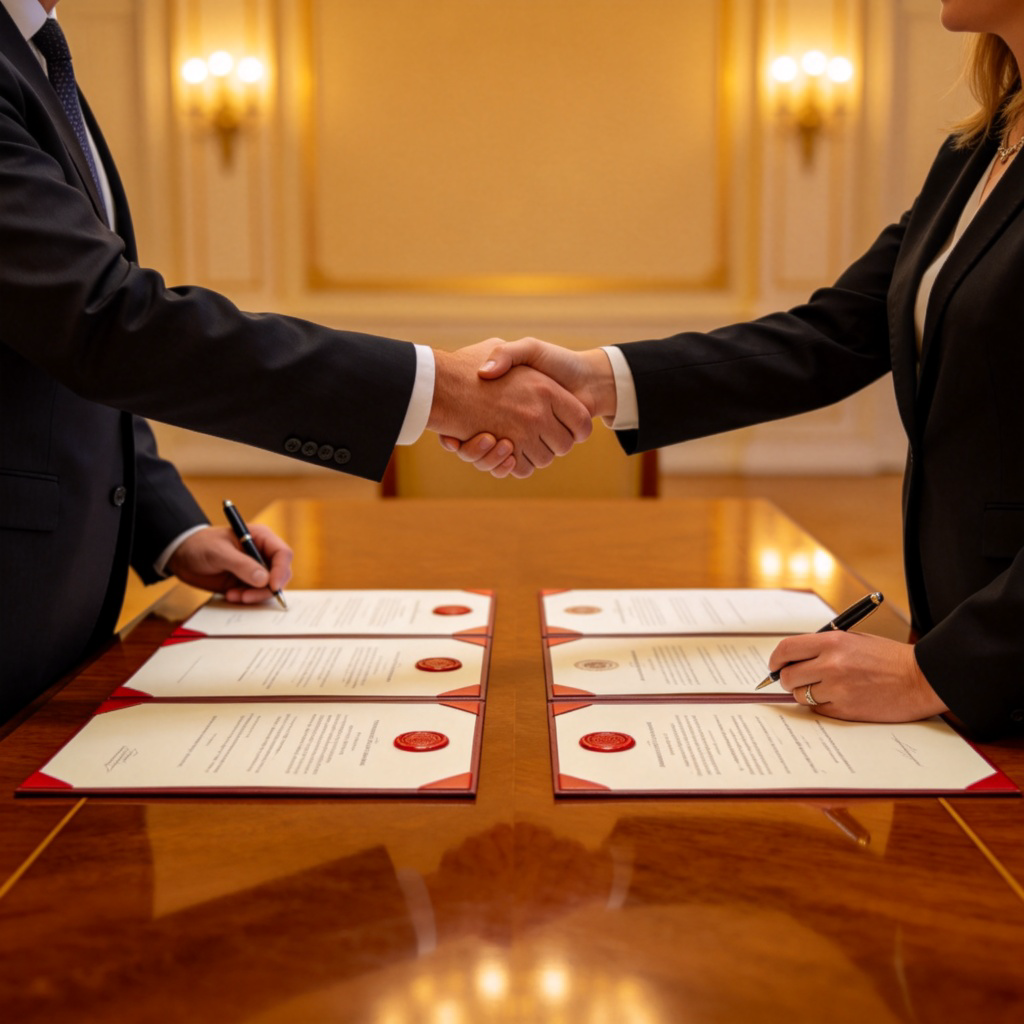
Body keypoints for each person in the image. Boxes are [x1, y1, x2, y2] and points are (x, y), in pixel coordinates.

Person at [0, 0, 591, 724]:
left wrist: (174, 530)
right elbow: (104, 322)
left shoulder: (37, 52)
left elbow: (51, 345)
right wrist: (440, 388)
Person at [453, 1, 1024, 738]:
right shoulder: (979, 147)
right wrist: (598, 379)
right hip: (970, 665)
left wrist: (931, 672)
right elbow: (832, 335)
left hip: (982, 660)